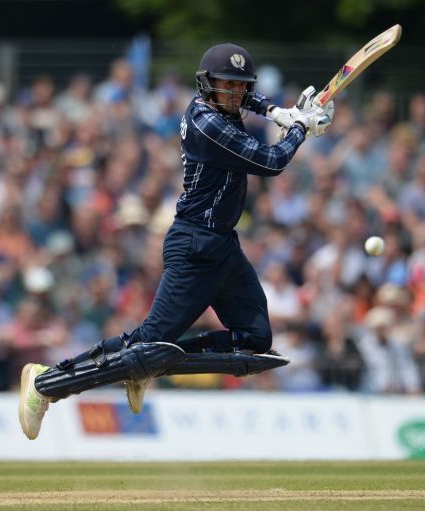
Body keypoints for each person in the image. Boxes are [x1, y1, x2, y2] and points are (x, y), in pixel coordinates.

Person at [18, 42, 334, 439]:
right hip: (195, 244)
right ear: (206, 86)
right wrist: (301, 128)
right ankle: (46, 384)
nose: (234, 94)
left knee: (255, 340)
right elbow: (270, 162)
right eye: (226, 86)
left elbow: (246, 96)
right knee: (149, 341)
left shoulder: (225, 102)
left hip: (224, 247)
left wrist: (277, 111)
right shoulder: (207, 122)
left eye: (240, 87)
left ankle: (148, 363)